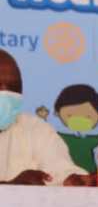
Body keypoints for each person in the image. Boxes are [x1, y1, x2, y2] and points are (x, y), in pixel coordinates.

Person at [0, 50, 91, 186]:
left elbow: (59, 169)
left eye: (14, 87)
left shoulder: (35, 128)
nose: (5, 94)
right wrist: (12, 188)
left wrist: (72, 180)